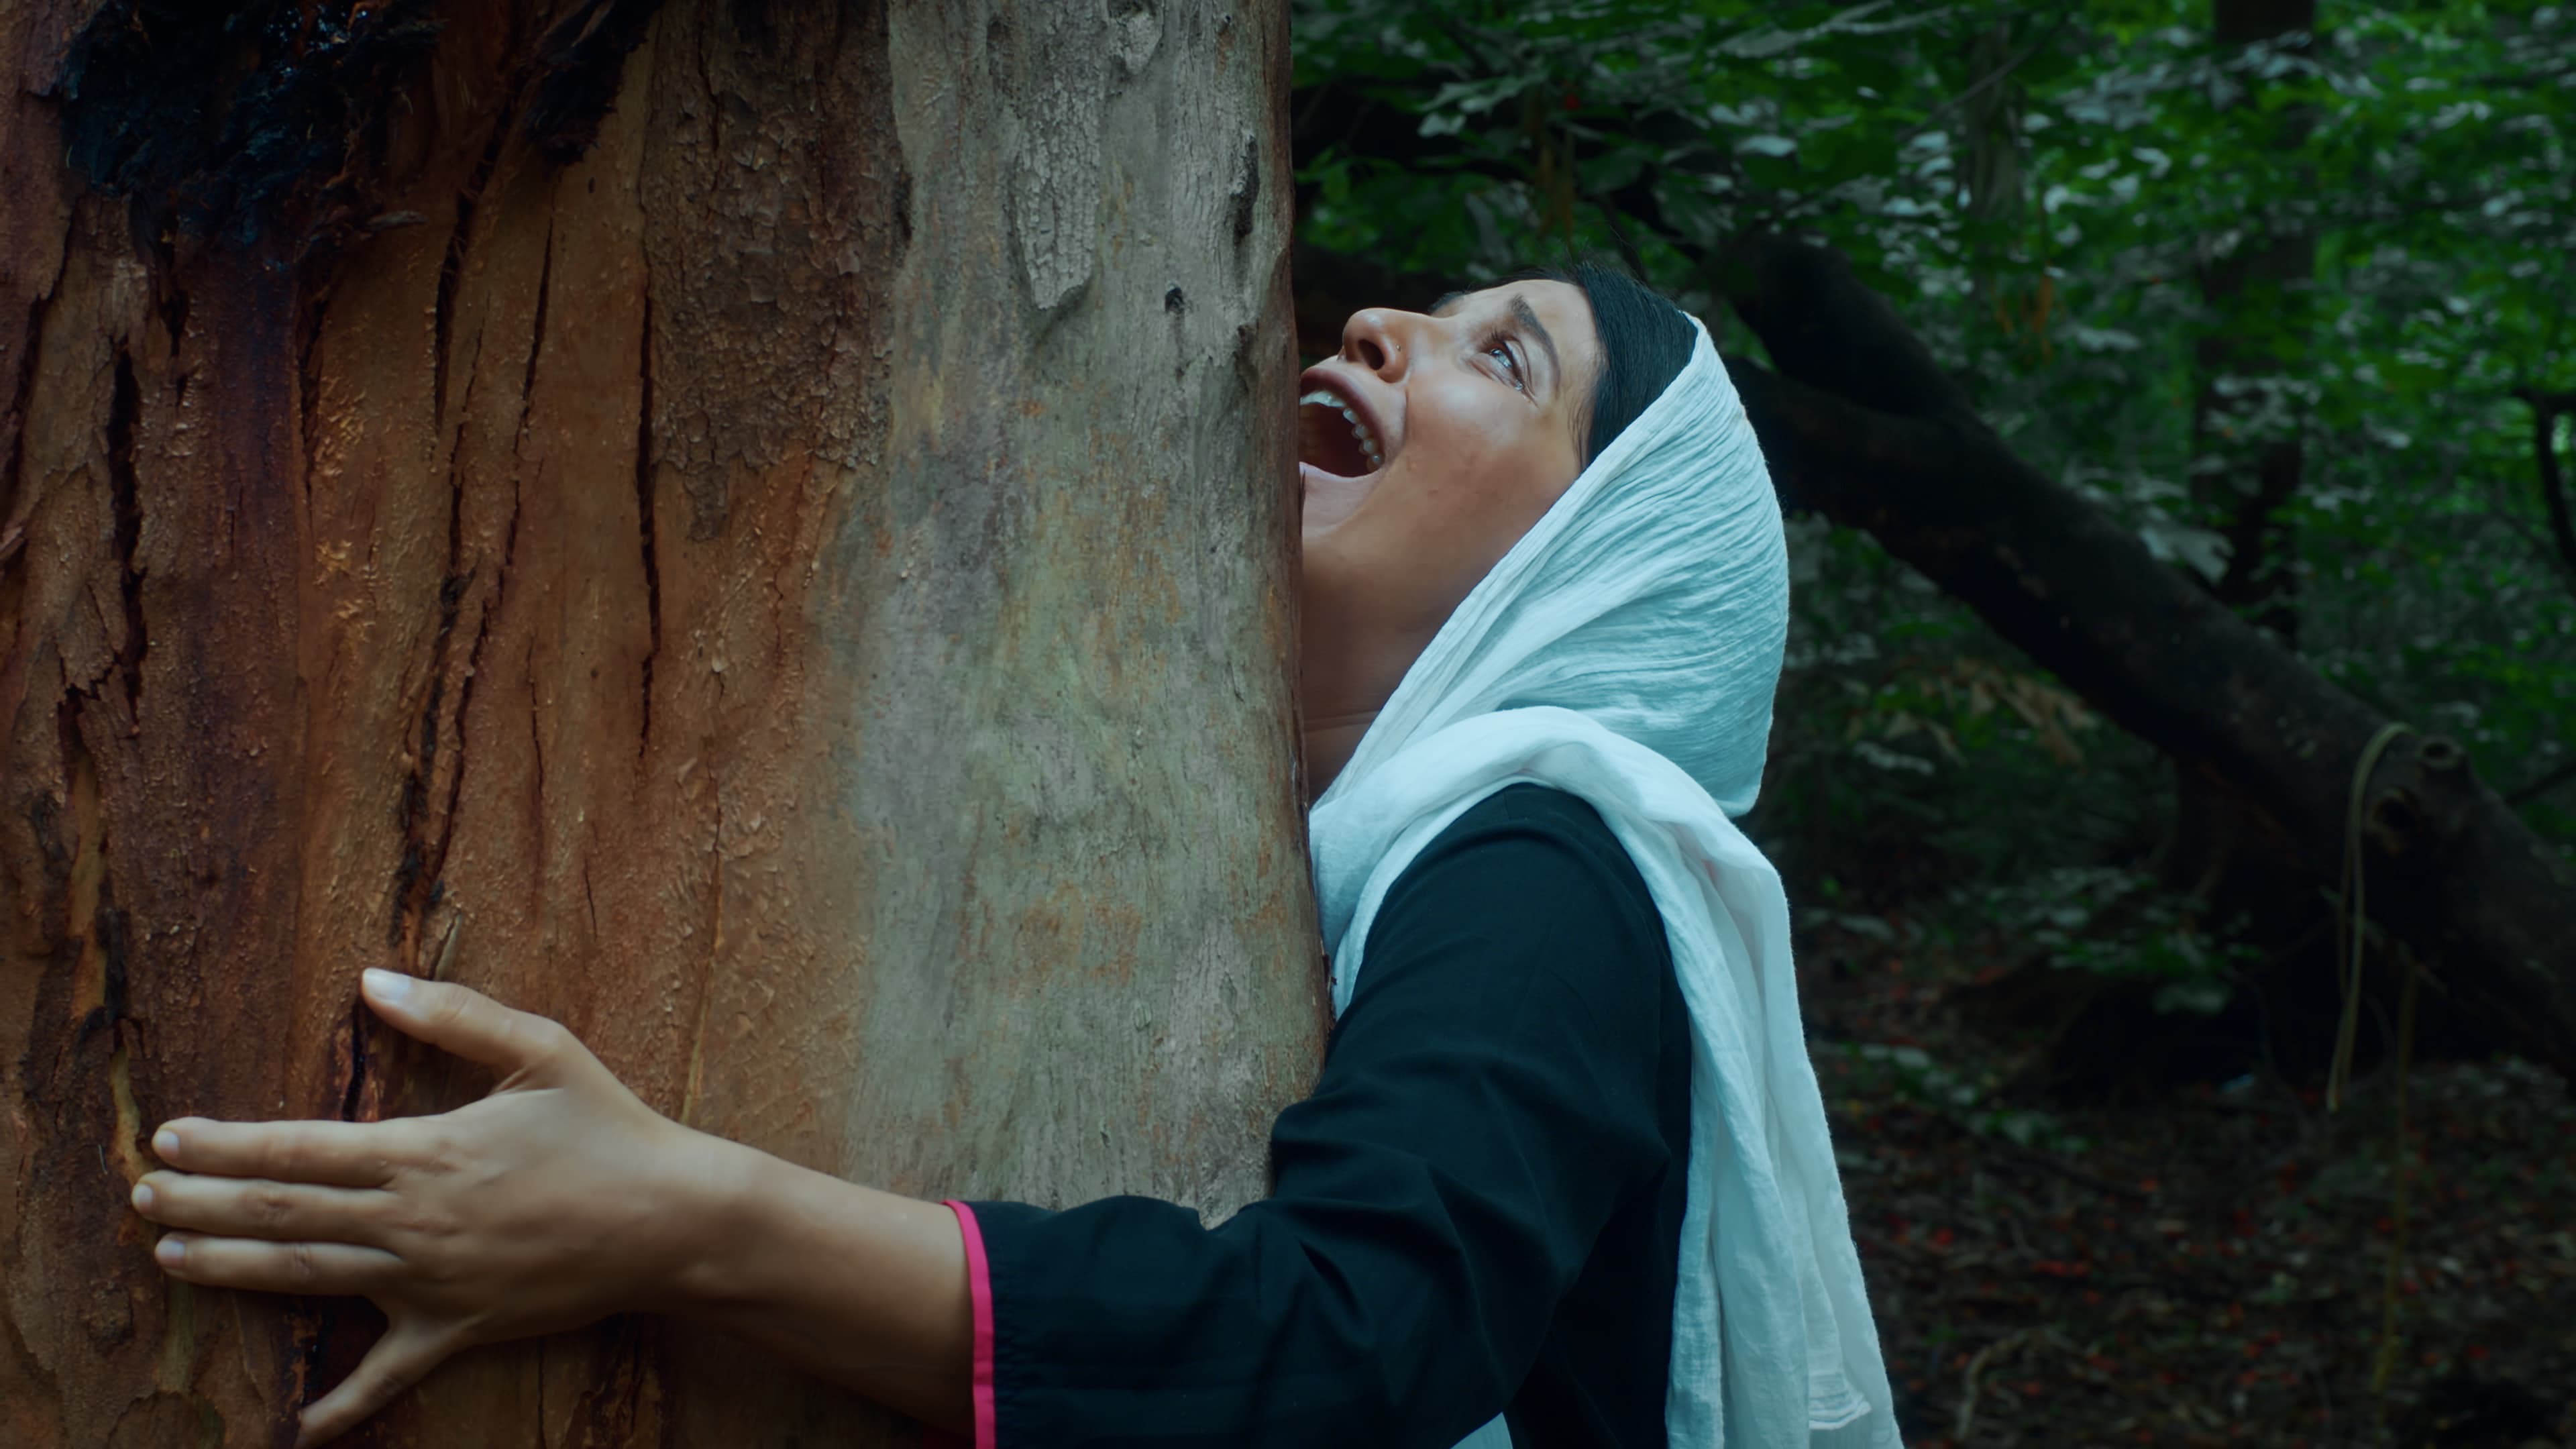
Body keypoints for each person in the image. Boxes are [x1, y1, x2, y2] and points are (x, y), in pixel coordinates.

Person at [127, 266, 1898, 1448]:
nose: (1378, 325)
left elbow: (1354, 1336)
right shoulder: (1315, 863)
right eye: (1437, 312)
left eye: (1504, 357)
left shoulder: (1549, 857)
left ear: (1603, 566)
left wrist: (674, 1219)